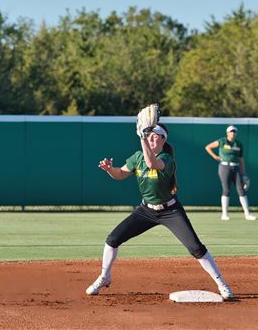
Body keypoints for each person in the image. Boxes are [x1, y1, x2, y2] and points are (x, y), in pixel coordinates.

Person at [86, 123, 233, 300]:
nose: (152, 138)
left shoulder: (167, 159)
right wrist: (110, 170)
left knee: (196, 248)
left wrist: (142, 137)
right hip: (146, 210)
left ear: (164, 140)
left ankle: (222, 285)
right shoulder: (137, 157)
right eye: (150, 136)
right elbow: (121, 174)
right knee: (112, 239)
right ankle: (104, 277)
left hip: (170, 210)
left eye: (156, 136)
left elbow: (152, 163)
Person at [204, 125, 256, 221]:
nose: (233, 133)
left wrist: (243, 173)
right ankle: (224, 214)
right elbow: (208, 147)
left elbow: (241, 159)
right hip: (224, 167)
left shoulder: (239, 144)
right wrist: (215, 157)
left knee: (241, 189)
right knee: (226, 190)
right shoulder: (223, 141)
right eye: (231, 131)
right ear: (227, 133)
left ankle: (247, 214)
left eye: (234, 131)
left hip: (235, 167)